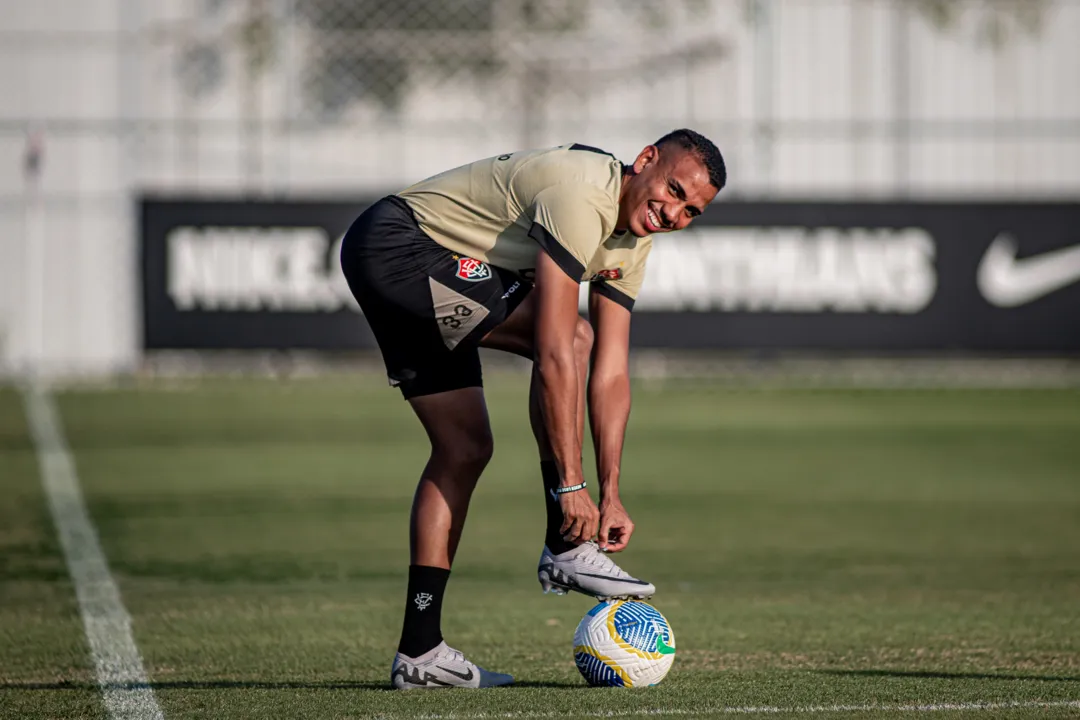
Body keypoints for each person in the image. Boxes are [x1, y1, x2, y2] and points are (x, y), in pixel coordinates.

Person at [339, 129, 726, 690]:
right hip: (397, 246)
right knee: (570, 339)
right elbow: (555, 348)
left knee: (465, 449)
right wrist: (572, 488)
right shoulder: (583, 194)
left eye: (692, 211)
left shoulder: (634, 242)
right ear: (644, 161)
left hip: (425, 262)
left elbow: (613, 374)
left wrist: (611, 491)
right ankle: (566, 544)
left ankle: (419, 653)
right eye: (673, 190)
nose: (675, 213)